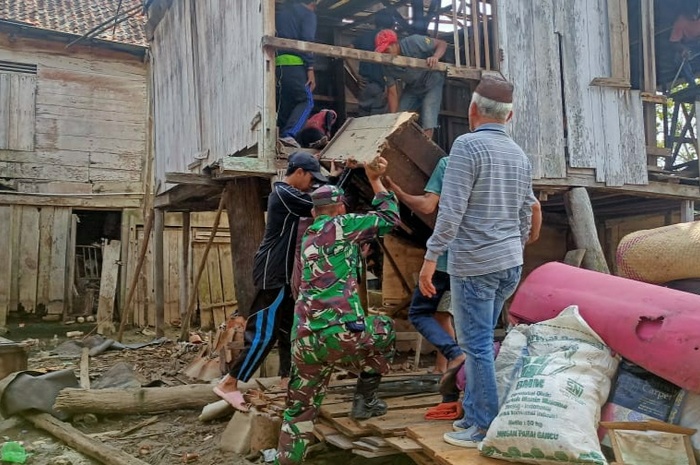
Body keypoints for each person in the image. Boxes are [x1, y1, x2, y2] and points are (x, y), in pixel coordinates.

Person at [418, 74, 536, 448]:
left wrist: (430, 257)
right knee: (481, 343)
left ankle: (485, 426)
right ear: (510, 115)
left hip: (476, 265)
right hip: (509, 265)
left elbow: (450, 213)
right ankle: (472, 416)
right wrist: (513, 250)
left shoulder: (467, 147)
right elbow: (526, 213)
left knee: (478, 346)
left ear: (473, 110)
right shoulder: (519, 154)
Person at [387, 159, 542, 419]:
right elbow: (534, 207)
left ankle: (473, 404)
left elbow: (428, 205)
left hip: (453, 259)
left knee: (425, 315)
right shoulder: (510, 166)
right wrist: (527, 239)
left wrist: (399, 194)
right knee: (469, 329)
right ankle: (457, 397)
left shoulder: (450, 163)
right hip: (497, 262)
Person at [275, 157, 401, 465]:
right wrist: (374, 180)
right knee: (384, 328)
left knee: (299, 410)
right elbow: (389, 218)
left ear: (314, 211)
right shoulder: (344, 225)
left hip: (304, 339)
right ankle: (365, 400)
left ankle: (286, 460)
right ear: (342, 208)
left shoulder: (307, 238)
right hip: (343, 334)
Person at [213, 152, 327, 411]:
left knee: (288, 328)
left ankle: (287, 378)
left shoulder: (291, 193)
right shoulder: (284, 193)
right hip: (272, 274)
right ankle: (229, 383)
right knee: (263, 333)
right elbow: (322, 201)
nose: (312, 183)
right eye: (311, 178)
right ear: (298, 172)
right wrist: (345, 176)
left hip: (283, 276)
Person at [375, 29, 447, 139]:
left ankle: (424, 151)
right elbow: (392, 92)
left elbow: (442, 44)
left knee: (428, 118)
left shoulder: (414, 41)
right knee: (399, 117)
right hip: (413, 87)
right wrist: (393, 119)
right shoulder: (386, 64)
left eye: (387, 50)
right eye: (382, 51)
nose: (385, 53)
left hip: (432, 82)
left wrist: (435, 57)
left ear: (395, 44)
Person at [276, 0, 318, 147]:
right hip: (295, 63)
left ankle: (279, 135)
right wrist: (310, 68)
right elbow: (307, 41)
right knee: (306, 100)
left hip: (278, 64)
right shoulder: (308, 14)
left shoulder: (282, 13)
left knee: (286, 103)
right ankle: (288, 134)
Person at [351, 9, 396, 116]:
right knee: (376, 121)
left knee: (362, 118)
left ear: (375, 22)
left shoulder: (365, 37)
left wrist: (355, 74)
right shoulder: (389, 40)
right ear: (392, 24)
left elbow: (347, 51)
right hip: (380, 85)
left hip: (364, 85)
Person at [670, 7, 700, 88]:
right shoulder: (681, 21)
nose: (694, 17)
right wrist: (683, 49)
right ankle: (692, 84)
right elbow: (674, 42)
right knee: (678, 58)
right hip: (689, 46)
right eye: (691, 14)